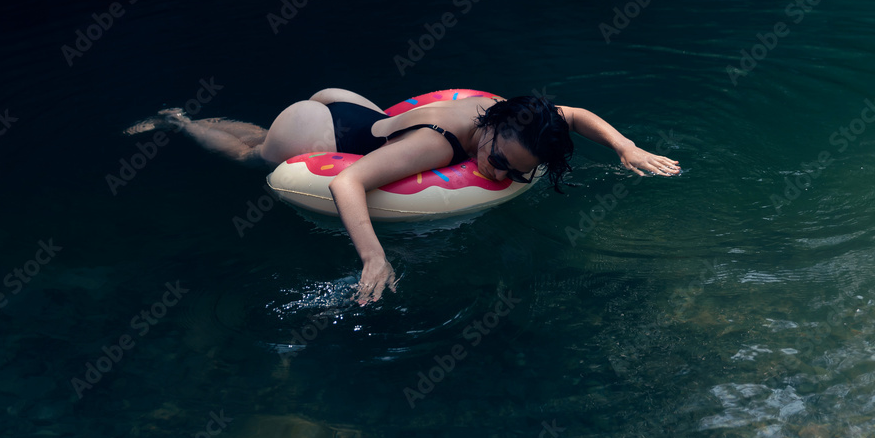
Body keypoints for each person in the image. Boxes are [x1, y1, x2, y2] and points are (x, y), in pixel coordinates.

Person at [127, 88, 681, 305]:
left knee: (252, 140)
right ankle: (177, 120)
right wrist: (374, 255)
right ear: (488, 131)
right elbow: (348, 181)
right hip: (319, 132)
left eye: (515, 172)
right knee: (248, 156)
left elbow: (573, 114)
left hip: (356, 110)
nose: (499, 173)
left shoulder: (516, 121)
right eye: (499, 162)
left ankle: (197, 117)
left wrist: (625, 147)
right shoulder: (439, 148)